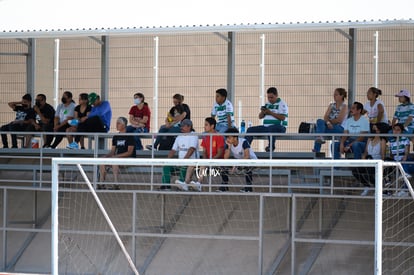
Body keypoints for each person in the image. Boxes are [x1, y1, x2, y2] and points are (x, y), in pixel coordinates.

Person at [98, 117, 136, 190]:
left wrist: (116, 156)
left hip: (128, 159)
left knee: (115, 160)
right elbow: (112, 151)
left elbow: (129, 152)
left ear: (124, 125)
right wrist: (107, 156)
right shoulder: (116, 137)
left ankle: (116, 184)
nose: (116, 125)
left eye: (119, 123)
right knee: (102, 160)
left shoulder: (130, 136)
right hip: (118, 158)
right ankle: (101, 183)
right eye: (116, 123)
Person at [245, 87, 288, 152]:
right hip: (266, 127)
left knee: (271, 128)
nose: (270, 99)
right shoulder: (267, 104)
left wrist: (270, 113)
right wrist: (263, 112)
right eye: (268, 97)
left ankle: (271, 147)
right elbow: (260, 117)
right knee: (250, 130)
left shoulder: (282, 104)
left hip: (279, 127)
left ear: (276, 95)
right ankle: (246, 148)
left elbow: (283, 118)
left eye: (271, 97)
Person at [351, 123, 389, 196]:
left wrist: (381, 164)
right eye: (374, 129)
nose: (375, 131)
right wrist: (363, 159)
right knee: (355, 171)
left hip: (376, 162)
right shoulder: (370, 139)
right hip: (368, 161)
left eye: (377, 129)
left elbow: (382, 155)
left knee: (370, 171)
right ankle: (366, 186)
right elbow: (365, 152)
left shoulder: (382, 140)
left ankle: (377, 188)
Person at [192, 117, 228, 191]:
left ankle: (199, 183)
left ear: (212, 126)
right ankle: (196, 183)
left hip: (218, 159)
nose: (204, 127)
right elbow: (204, 151)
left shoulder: (219, 136)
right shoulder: (206, 137)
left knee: (204, 164)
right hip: (209, 159)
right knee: (200, 163)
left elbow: (220, 152)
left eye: (206, 125)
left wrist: (211, 159)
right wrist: (206, 159)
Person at [161, 119, 199, 191]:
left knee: (184, 165)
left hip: (190, 163)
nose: (181, 128)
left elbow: (191, 149)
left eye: (183, 126)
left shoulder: (194, 135)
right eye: (181, 126)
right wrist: (167, 160)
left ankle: (182, 183)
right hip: (180, 162)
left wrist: (183, 161)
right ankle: (166, 185)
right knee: (166, 166)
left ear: (189, 127)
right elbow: (173, 150)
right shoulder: (179, 137)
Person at [222, 127, 257, 192]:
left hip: (251, 161)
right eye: (227, 138)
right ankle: (224, 185)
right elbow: (225, 158)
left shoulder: (244, 142)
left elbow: (247, 156)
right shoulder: (229, 144)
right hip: (239, 162)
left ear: (235, 138)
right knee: (223, 165)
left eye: (229, 138)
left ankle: (249, 187)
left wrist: (236, 164)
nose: (227, 139)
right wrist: (229, 148)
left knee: (247, 165)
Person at [313, 88, 348, 152]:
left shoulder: (344, 107)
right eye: (334, 94)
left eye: (336, 95)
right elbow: (325, 116)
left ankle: (316, 149)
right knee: (319, 121)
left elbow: (339, 120)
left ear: (342, 96)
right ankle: (319, 139)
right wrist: (328, 123)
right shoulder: (331, 105)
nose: (334, 96)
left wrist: (329, 121)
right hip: (329, 126)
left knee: (319, 130)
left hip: (339, 128)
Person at [387, 123, 413, 197]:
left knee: (405, 161)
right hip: (395, 160)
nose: (395, 131)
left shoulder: (405, 139)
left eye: (398, 130)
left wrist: (404, 156)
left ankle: (405, 190)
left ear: (401, 131)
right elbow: (391, 154)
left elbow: (406, 152)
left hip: (403, 158)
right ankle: (387, 190)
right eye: (394, 130)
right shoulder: (391, 141)